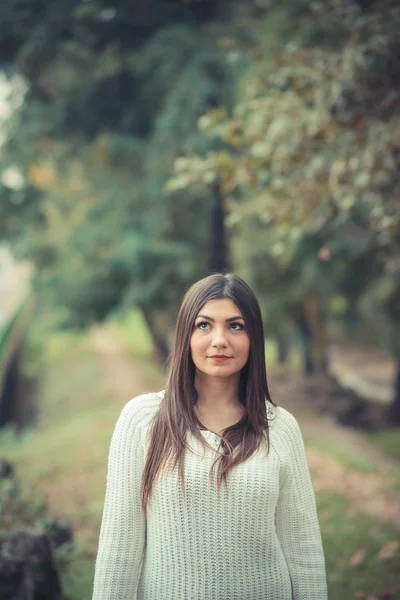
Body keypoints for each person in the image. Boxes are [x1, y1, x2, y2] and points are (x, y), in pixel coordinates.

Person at [92, 273, 327, 600]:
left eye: (235, 326)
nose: (219, 340)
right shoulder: (143, 419)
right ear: (185, 335)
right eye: (204, 325)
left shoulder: (281, 427)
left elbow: (304, 551)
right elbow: (119, 549)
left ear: (253, 338)